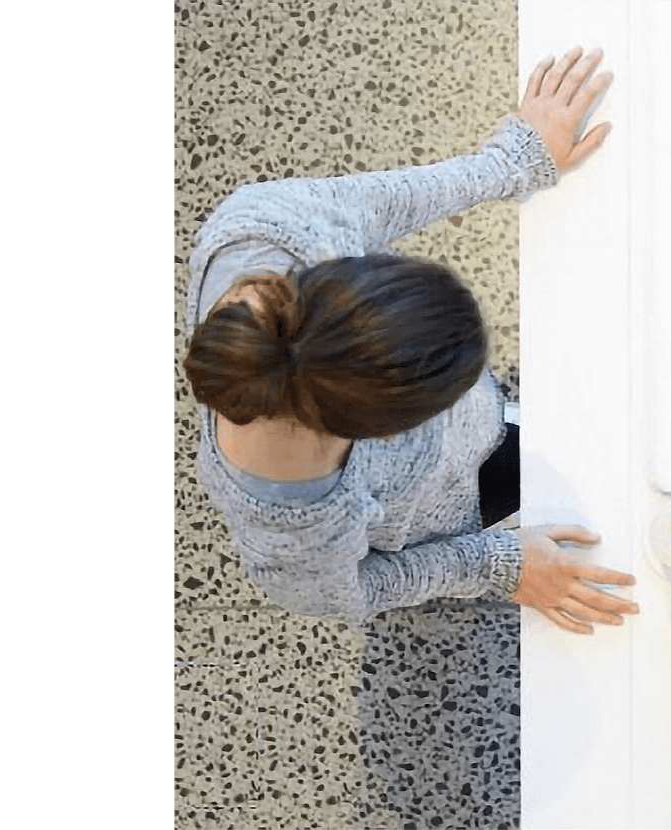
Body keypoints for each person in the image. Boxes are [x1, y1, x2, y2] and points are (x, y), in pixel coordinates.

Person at [181, 47, 639, 635]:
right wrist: (497, 563)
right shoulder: (292, 525)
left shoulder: (265, 224)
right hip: (466, 509)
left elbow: (376, 203)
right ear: (382, 430)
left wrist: (513, 162)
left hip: (489, 434)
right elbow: (351, 592)